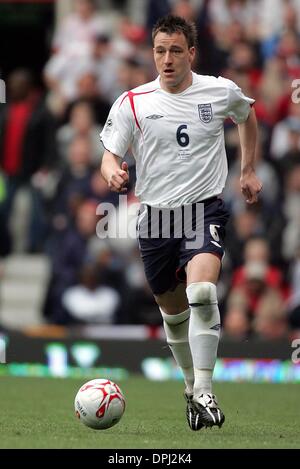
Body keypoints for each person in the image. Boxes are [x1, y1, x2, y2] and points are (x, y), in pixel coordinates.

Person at [100, 15, 262, 431]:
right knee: (173, 317)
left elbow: (247, 116)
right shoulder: (132, 102)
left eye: (175, 50)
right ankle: (191, 390)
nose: (167, 59)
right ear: (151, 53)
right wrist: (112, 172)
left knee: (203, 292)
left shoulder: (219, 90)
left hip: (202, 210)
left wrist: (247, 170)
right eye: (159, 50)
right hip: (154, 219)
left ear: (191, 53)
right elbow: (108, 155)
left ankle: (206, 389)